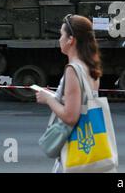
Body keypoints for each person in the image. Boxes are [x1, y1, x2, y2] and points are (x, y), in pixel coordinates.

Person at [36, 14, 102, 172]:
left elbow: (71, 117)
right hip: (89, 144)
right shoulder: (90, 67)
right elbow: (81, 102)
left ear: (70, 39)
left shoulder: (73, 70)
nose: (59, 39)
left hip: (74, 147)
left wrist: (48, 99)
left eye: (61, 35)